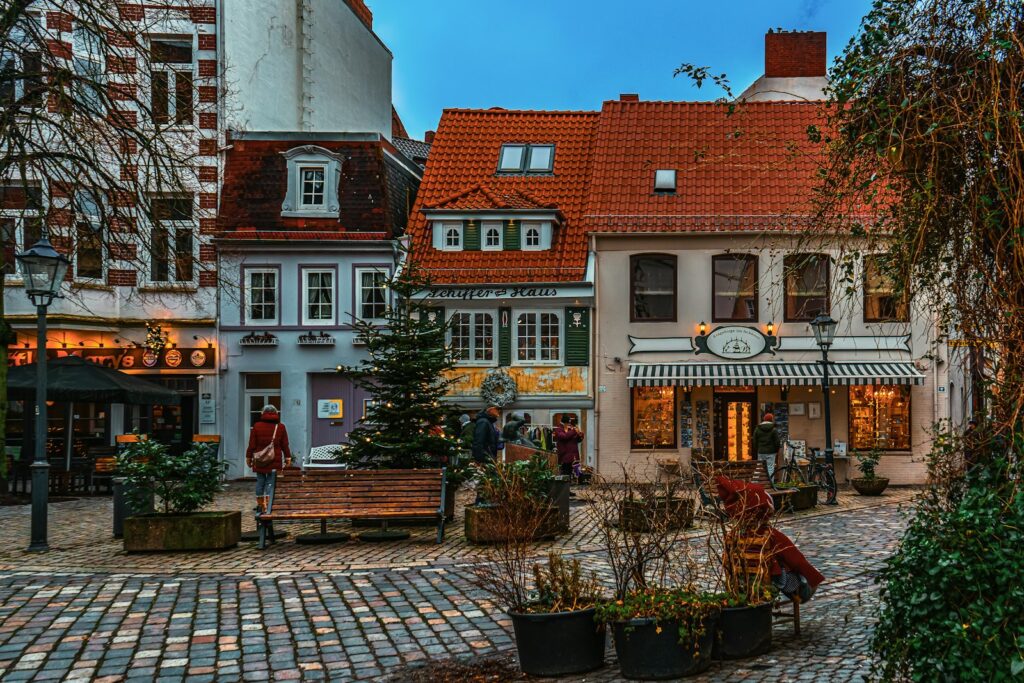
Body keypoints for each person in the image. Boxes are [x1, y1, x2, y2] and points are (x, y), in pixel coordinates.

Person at [245, 405, 292, 519]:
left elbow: (252, 444)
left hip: (260, 459)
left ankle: (261, 505)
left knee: (260, 481)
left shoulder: (257, 426)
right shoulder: (280, 427)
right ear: (276, 413)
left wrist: (248, 457)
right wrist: (287, 457)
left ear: (263, 413)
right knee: (271, 482)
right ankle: (269, 505)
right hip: (274, 459)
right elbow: (284, 444)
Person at [753, 413, 782, 480]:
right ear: (771, 420)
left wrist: (758, 449)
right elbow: (777, 442)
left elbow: (754, 441)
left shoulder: (757, 428)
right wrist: (776, 450)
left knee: (759, 467)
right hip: (771, 452)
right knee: (770, 468)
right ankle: (770, 483)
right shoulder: (773, 429)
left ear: (764, 419)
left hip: (761, 451)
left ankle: (755, 482)